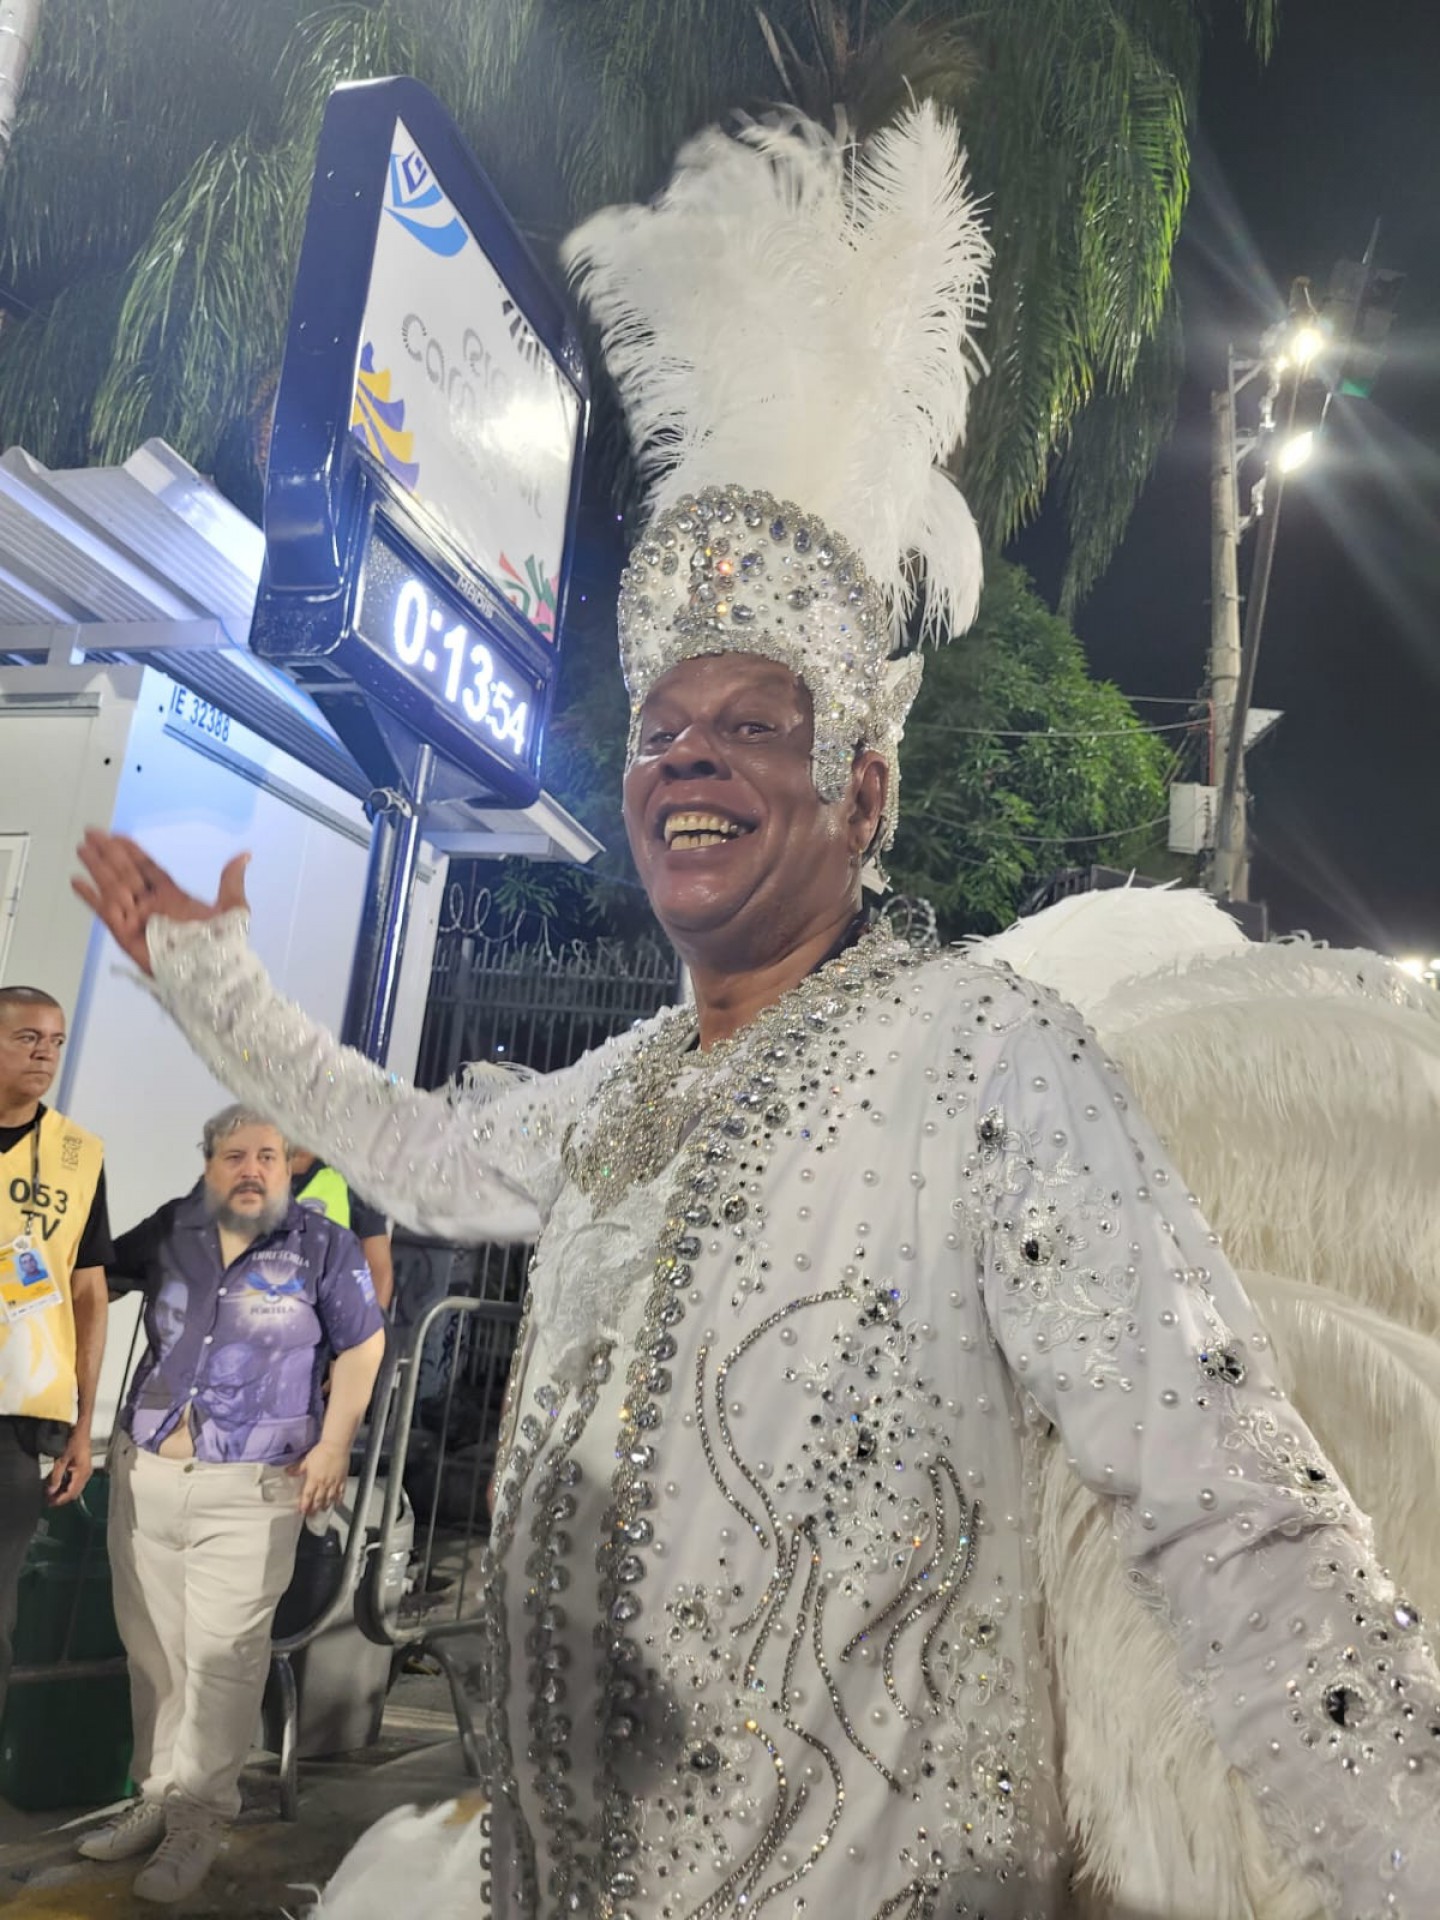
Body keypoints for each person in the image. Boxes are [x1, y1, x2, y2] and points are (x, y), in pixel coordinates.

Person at [74, 103, 1440, 1920]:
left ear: (864, 796)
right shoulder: (626, 1088)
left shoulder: (984, 1062)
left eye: (758, 727)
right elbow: (417, 1146)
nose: (690, 757)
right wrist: (206, 976)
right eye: (661, 729)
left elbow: (1230, 1514)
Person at [76, 1105, 385, 1905]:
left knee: (223, 1658)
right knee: (154, 1650)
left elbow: (362, 1343)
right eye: (235, 1156)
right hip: (147, 1470)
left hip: (256, 1483)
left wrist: (335, 1441)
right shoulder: (174, 1228)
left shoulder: (324, 1245)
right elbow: (91, 1280)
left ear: (291, 1167)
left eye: (269, 1157)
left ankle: (201, 1817)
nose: (253, 1170)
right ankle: (158, 1798)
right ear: (208, 1164)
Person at [0, 984, 110, 1727]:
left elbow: (89, 1294)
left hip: (13, 1417)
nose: (45, 1054)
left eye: (56, 1042)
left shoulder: (77, 1155)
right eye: (27, 1038)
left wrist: (80, 1425)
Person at [291, 1146, 394, 1311]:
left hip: (329, 1321)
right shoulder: (251, 1174)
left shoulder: (353, 1181)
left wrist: (374, 1330)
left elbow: (379, 1270)